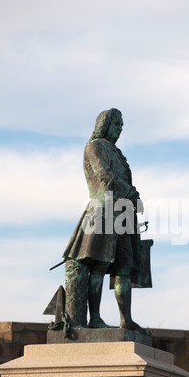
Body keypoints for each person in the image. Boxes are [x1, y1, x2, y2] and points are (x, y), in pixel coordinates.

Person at [62, 108, 149, 335]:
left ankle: (126, 319)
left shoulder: (116, 152)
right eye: (117, 124)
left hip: (123, 214)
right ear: (105, 124)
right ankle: (96, 319)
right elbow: (105, 175)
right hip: (102, 211)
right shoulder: (95, 146)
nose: (120, 129)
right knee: (98, 265)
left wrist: (131, 199)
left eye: (121, 125)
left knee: (125, 268)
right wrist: (132, 193)